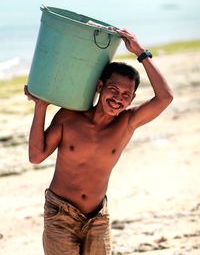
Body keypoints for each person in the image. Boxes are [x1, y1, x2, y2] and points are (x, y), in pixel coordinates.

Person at [24, 29, 173, 255]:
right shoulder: (69, 118)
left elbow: (165, 97)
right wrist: (41, 107)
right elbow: (36, 156)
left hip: (98, 218)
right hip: (60, 214)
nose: (117, 99)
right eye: (113, 89)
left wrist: (141, 52)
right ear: (99, 86)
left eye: (126, 95)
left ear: (132, 99)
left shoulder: (126, 124)